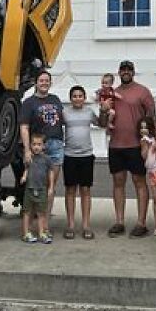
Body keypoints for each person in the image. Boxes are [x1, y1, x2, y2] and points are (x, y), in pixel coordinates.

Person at [99, 59, 156, 238]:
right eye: (123, 70)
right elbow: (103, 122)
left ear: (133, 72)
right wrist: (103, 110)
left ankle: (141, 223)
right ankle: (119, 221)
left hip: (136, 145)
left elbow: (153, 118)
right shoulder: (111, 93)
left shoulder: (142, 91)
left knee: (139, 181)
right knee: (118, 182)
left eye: (129, 70)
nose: (126, 72)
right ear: (119, 73)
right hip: (116, 145)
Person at [19, 70, 65, 230]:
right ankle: (31, 224)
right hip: (38, 147)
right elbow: (24, 127)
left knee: (50, 186)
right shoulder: (29, 102)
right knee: (36, 185)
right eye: (41, 80)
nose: (44, 83)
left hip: (56, 145)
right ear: (36, 83)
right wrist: (27, 150)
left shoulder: (55, 99)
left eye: (47, 80)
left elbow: (62, 120)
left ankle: (44, 225)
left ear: (50, 83)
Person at [62, 85, 97, 240]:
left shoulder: (89, 112)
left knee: (85, 190)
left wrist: (105, 110)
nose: (77, 98)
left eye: (80, 96)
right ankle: (70, 225)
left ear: (84, 98)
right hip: (69, 155)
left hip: (86, 155)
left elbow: (102, 123)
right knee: (70, 190)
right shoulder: (64, 113)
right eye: (74, 96)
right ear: (71, 99)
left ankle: (86, 225)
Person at [20, 132, 53, 244]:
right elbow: (27, 168)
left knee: (41, 213)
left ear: (43, 146)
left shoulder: (47, 159)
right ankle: (26, 233)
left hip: (42, 189)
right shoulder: (29, 157)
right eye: (34, 144)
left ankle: (42, 233)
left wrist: (51, 187)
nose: (36, 147)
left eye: (39, 144)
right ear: (30, 145)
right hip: (29, 189)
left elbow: (51, 172)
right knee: (27, 212)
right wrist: (24, 176)